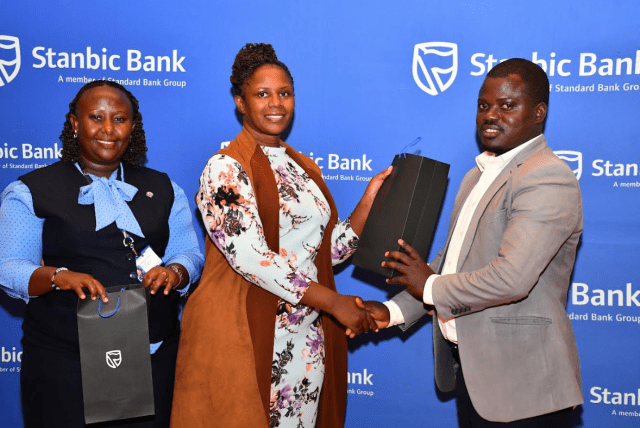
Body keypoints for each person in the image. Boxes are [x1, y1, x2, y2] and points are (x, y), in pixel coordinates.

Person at [171, 43, 390, 428]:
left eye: (284, 93)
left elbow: (323, 253)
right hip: (244, 332)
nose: (276, 103)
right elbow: (251, 257)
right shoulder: (224, 168)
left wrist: (369, 200)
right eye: (262, 94)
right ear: (241, 102)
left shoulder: (303, 166)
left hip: (304, 339)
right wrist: (334, 302)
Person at [359, 58, 584, 426]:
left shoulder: (546, 177)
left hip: (525, 389)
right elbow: (450, 264)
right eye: (484, 105)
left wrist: (429, 285)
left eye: (507, 105)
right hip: (475, 378)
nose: (490, 115)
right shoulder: (475, 177)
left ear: (538, 113)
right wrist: (393, 312)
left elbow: (511, 278)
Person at [0, 80, 205, 428]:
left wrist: (176, 271)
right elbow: (9, 267)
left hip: (152, 358)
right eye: (96, 117)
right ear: (74, 123)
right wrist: (58, 277)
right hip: (66, 364)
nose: (108, 129)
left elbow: (189, 254)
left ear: (133, 126)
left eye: (119, 119)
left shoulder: (165, 188)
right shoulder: (30, 191)